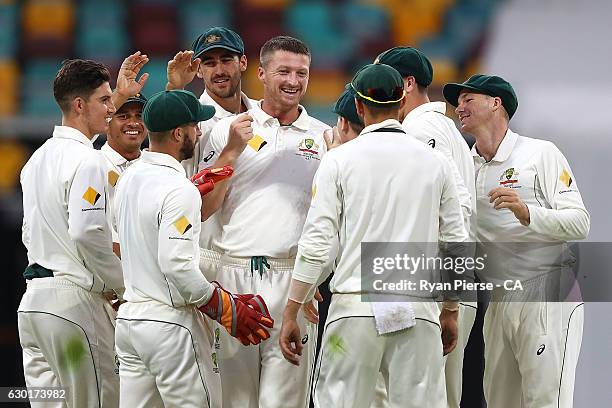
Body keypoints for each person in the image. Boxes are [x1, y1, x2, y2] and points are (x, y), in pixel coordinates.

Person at [279, 63, 468, 408]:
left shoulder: (338, 161)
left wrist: (292, 308)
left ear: (360, 108)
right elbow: (455, 242)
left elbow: (318, 242)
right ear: (401, 104)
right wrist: (451, 309)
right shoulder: (437, 163)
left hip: (355, 306)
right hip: (418, 307)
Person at [113, 89, 274, 408]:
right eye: (193, 126)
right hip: (171, 327)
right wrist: (224, 307)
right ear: (177, 133)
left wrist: (191, 189)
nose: (199, 131)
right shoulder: (178, 190)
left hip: (131, 325)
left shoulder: (129, 177)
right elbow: (177, 267)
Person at [443, 74, 590, 408]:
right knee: (500, 402)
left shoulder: (540, 153)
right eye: (458, 101)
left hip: (546, 291)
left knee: (544, 401)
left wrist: (527, 213)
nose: (459, 107)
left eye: (468, 99)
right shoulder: (463, 165)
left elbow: (581, 222)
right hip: (497, 298)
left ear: (496, 104)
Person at [199, 35, 330, 408]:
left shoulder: (324, 137)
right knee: (232, 401)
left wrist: (315, 274)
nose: (293, 81)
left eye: (301, 73)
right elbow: (203, 208)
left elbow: (332, 219)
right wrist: (230, 152)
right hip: (234, 276)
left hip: (293, 281)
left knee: (286, 401)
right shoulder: (229, 129)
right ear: (260, 73)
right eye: (283, 71)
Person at [17, 55, 146, 407]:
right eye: (105, 101)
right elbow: (88, 232)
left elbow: (29, 234)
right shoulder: (88, 159)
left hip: (33, 308)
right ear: (79, 105)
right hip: (74, 307)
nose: (112, 109)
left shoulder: (35, 160)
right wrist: (123, 286)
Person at [375, 46, 477, 408]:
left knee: (419, 394)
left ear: (407, 82)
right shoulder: (440, 126)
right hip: (447, 277)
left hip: (434, 278)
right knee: (440, 396)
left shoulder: (419, 129)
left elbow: (455, 206)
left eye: (384, 81)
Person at [165, 26, 257, 276]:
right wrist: (174, 89)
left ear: (243, 62)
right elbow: (163, 146)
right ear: (199, 70)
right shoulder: (190, 119)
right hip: (209, 260)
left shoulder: (263, 117)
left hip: (262, 259)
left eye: (226, 60)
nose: (218, 70)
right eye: (209, 62)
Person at [101, 92, 148, 257]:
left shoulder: (155, 169)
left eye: (139, 116)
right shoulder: (94, 166)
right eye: (123, 116)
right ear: (106, 122)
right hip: (107, 274)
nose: (133, 123)